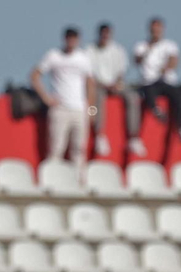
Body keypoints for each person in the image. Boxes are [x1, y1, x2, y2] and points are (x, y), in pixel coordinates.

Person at [126, 18, 181, 156]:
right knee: (149, 90)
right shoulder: (142, 46)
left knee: (179, 95)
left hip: (166, 81)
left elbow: (174, 61)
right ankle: (156, 110)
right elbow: (136, 60)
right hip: (148, 82)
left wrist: (166, 68)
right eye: (153, 29)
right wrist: (149, 49)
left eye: (158, 28)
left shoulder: (170, 45)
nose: (156, 32)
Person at [31, 27, 96, 172]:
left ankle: (78, 180)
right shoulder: (54, 56)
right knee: (56, 148)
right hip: (60, 109)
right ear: (65, 39)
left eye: (74, 39)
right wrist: (46, 98)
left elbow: (91, 85)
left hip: (80, 110)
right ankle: (54, 179)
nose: (71, 42)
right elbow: (34, 76)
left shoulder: (83, 58)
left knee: (79, 149)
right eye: (69, 38)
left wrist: (92, 111)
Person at [86, 23, 128, 158]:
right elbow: (89, 75)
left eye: (107, 33)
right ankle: (99, 134)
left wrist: (116, 83)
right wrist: (102, 85)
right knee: (96, 100)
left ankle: (134, 137)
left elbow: (121, 72)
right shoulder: (90, 50)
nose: (105, 36)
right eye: (103, 33)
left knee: (132, 96)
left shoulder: (118, 50)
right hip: (97, 87)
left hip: (115, 86)